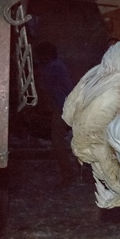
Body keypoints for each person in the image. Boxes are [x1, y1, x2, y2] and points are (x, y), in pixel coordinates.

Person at [34, 42, 78, 187]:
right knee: (63, 141)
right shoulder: (57, 65)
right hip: (64, 106)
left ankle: (68, 174)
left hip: (61, 108)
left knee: (58, 142)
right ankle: (73, 171)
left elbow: (44, 88)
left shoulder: (52, 67)